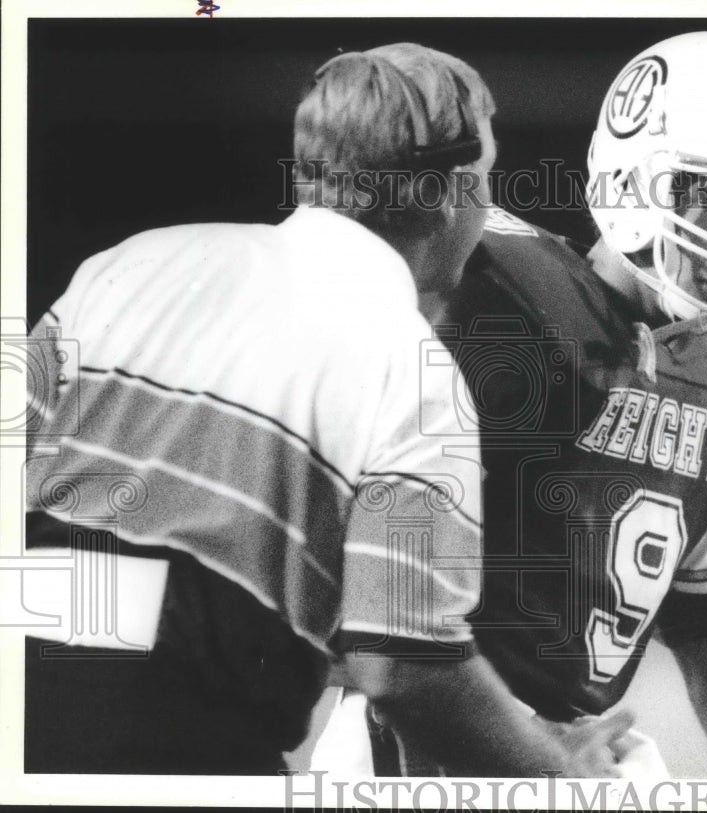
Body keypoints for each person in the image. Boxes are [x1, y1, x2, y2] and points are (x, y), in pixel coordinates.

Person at [21, 43, 632, 777]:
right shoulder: (408, 368)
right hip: (181, 748)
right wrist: (557, 770)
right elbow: (401, 661)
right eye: (487, 180)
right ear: (448, 192)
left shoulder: (130, 263)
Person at [369, 31, 707, 780]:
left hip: (591, 745)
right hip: (427, 739)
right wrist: (521, 749)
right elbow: (373, 610)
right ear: (629, 180)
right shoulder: (489, 303)